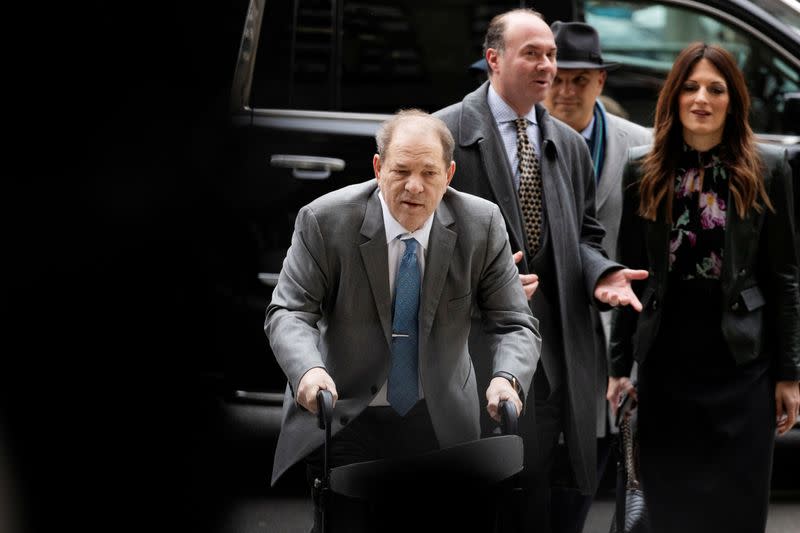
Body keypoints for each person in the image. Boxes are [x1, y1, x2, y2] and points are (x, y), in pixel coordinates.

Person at [265, 109, 541, 532]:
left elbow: (514, 322)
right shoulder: (325, 220)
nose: (415, 186)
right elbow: (290, 310)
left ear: (449, 174)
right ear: (378, 168)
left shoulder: (481, 223)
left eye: (429, 173)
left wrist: (508, 378)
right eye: (401, 170)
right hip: (347, 408)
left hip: (439, 412)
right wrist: (308, 369)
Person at [434, 8, 648, 533]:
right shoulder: (444, 132)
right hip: (476, 356)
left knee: (548, 498)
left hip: (559, 360)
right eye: (533, 53)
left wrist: (602, 274)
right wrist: (477, 272)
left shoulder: (567, 144)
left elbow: (585, 237)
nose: (547, 65)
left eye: (550, 54)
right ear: (493, 60)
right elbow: (408, 236)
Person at [607, 42, 800, 533]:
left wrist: (789, 375)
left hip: (742, 363)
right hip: (666, 361)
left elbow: (784, 276)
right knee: (667, 506)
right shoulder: (641, 168)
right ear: (673, 97)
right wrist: (618, 366)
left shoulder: (769, 167)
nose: (702, 98)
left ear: (732, 100)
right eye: (690, 87)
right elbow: (630, 273)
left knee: (735, 507)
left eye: (716, 89)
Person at [541, 21, 652, 533]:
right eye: (557, 78)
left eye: (580, 79)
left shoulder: (643, 147)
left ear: (601, 82)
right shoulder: (519, 141)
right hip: (540, 333)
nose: (565, 90)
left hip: (612, 333)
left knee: (609, 471)